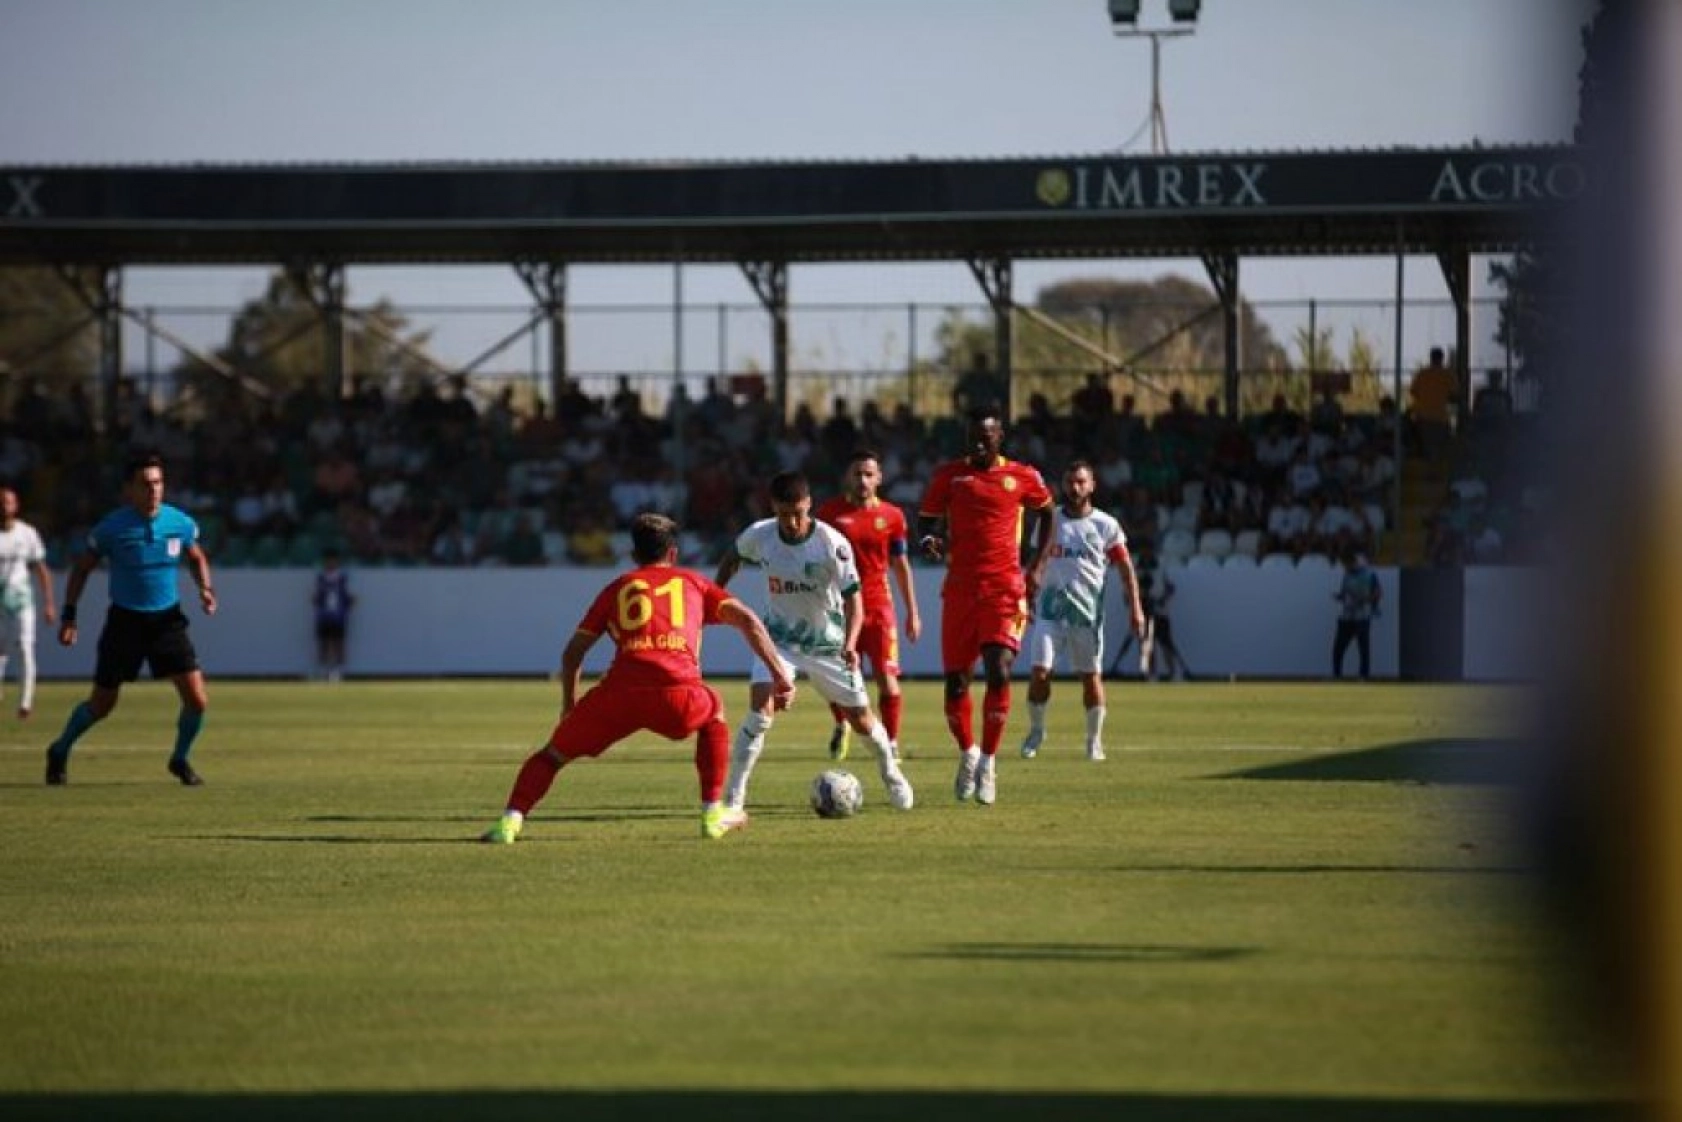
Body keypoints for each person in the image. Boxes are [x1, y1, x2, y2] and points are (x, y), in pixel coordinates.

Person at [480, 512, 795, 844]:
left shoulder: (617, 588)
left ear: (633, 556)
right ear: (673, 553)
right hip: (679, 695)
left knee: (552, 756)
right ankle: (712, 813)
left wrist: (569, 707)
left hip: (619, 696)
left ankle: (510, 822)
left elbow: (572, 654)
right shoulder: (694, 583)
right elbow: (748, 620)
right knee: (713, 713)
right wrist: (780, 676)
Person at [714, 471, 915, 818]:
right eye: (784, 514)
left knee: (861, 719)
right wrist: (715, 599)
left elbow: (855, 601)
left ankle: (890, 771)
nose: (792, 522)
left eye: (798, 513)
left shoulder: (831, 543)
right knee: (761, 712)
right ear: (773, 508)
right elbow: (731, 558)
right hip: (777, 641)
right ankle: (734, 796)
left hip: (829, 646)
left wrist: (851, 644)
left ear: (809, 505)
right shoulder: (759, 536)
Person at [45, 453, 218, 786]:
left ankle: (180, 759)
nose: (153, 490)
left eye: (157, 482)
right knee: (102, 705)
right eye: (145, 484)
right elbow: (82, 568)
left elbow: (195, 555)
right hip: (125, 622)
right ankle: (59, 748)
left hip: (167, 621)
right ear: (129, 489)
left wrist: (205, 588)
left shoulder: (178, 522)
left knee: (197, 699)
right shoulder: (112, 528)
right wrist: (69, 615)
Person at [918, 409, 1055, 806]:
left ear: (1000, 437)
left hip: (1005, 590)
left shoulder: (1023, 476)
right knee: (957, 683)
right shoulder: (949, 476)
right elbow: (926, 522)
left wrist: (1038, 566)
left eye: (986, 435)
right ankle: (968, 752)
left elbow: (1048, 514)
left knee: (999, 671)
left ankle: (990, 762)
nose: (978, 442)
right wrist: (930, 541)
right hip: (960, 590)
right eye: (972, 435)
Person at [1018, 461, 1146, 763]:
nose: (1074, 488)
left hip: (1086, 616)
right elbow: (1037, 563)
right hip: (1051, 612)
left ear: (1092, 485)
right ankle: (1037, 731)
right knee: (1039, 673)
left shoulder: (1106, 525)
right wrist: (1027, 597)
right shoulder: (1051, 522)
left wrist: (1136, 608)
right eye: (1069, 482)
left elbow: (1126, 569)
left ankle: (1093, 740)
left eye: (1080, 482)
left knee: (1090, 679)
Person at [813, 449, 921, 762]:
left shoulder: (892, 516)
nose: (863, 479)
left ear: (879, 478)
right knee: (840, 677)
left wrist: (912, 611)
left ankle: (892, 742)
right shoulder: (830, 515)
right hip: (840, 610)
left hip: (879, 608)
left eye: (868, 474)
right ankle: (841, 724)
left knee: (887, 678)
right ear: (848, 477)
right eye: (857, 473)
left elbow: (900, 564)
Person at [0, 485, 57, 719]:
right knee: (0, 651)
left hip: (22, 601)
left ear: (16, 505)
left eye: (8, 502)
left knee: (24, 648)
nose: (5, 506)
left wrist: (49, 602)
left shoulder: (27, 534)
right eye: (1, 502)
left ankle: (25, 702)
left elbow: (41, 569)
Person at [1333, 549, 1382, 680]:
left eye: (1346, 564)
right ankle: (1337, 675)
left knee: (1363, 647)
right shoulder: (1347, 575)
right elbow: (1344, 593)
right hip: (1347, 615)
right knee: (1338, 647)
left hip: (1362, 615)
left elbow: (1378, 593)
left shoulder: (1369, 575)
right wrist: (1340, 597)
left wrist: (1366, 600)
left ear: (1353, 562)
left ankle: (1364, 675)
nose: (1345, 567)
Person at [312, 546, 354, 681]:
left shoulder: (343, 578)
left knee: (339, 643)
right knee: (324, 643)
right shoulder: (320, 578)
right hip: (324, 615)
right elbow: (317, 596)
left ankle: (338, 672)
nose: (331, 563)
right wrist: (315, 600)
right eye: (328, 561)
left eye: (333, 561)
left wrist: (349, 603)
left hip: (338, 616)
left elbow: (348, 596)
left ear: (337, 562)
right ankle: (323, 671)